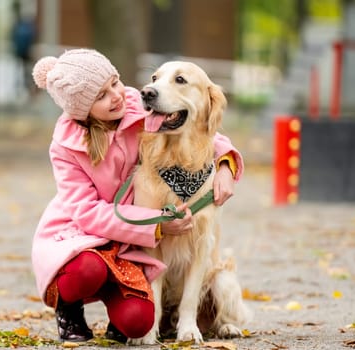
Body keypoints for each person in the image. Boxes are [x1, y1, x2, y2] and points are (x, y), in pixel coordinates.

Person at [30, 49, 244, 343]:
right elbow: (88, 212)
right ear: (83, 109)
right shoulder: (65, 146)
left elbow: (204, 133)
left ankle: (130, 307)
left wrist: (226, 165)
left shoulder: (137, 107)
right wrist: (155, 225)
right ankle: (69, 309)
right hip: (84, 238)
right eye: (101, 95)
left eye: (115, 82)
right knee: (86, 271)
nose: (116, 95)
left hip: (129, 245)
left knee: (136, 323)